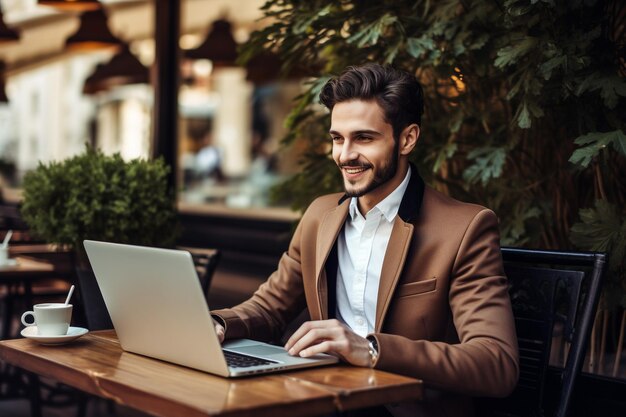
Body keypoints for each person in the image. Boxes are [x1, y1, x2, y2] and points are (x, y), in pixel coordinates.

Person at [212, 63, 519, 417]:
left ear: (407, 139)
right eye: (337, 138)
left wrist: (371, 350)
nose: (345, 155)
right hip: (325, 398)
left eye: (364, 138)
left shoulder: (465, 228)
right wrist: (218, 324)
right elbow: (268, 308)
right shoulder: (319, 216)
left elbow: (496, 364)